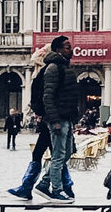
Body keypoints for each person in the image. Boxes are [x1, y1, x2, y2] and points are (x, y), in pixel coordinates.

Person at [17, 34, 80, 200]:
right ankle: (56, 190)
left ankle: (43, 183)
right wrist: (54, 120)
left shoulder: (64, 67)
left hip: (66, 117)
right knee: (58, 155)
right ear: (58, 50)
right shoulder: (53, 68)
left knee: (64, 154)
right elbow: (48, 96)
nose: (71, 49)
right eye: (67, 47)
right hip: (57, 118)